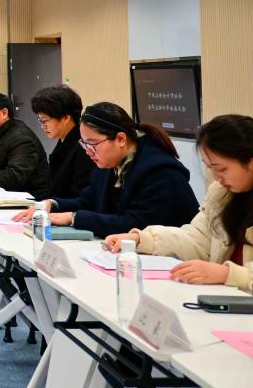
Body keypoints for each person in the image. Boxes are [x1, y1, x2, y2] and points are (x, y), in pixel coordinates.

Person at [104, 114, 251, 293]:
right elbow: (196, 239)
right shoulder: (221, 194)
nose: (216, 177)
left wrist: (227, 274)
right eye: (209, 167)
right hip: (224, 299)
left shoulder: (158, 169)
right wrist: (142, 239)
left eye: (221, 169)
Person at [13, 102, 198, 237]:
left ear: (120, 139)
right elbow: (87, 201)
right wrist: (52, 205)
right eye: (84, 144)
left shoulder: (160, 173)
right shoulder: (109, 165)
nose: (88, 152)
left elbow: (135, 225)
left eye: (93, 144)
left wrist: (73, 218)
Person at [31, 85, 95, 199]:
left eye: (45, 120)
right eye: (40, 120)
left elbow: (80, 196)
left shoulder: (83, 148)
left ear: (66, 118)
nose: (42, 126)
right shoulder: (63, 142)